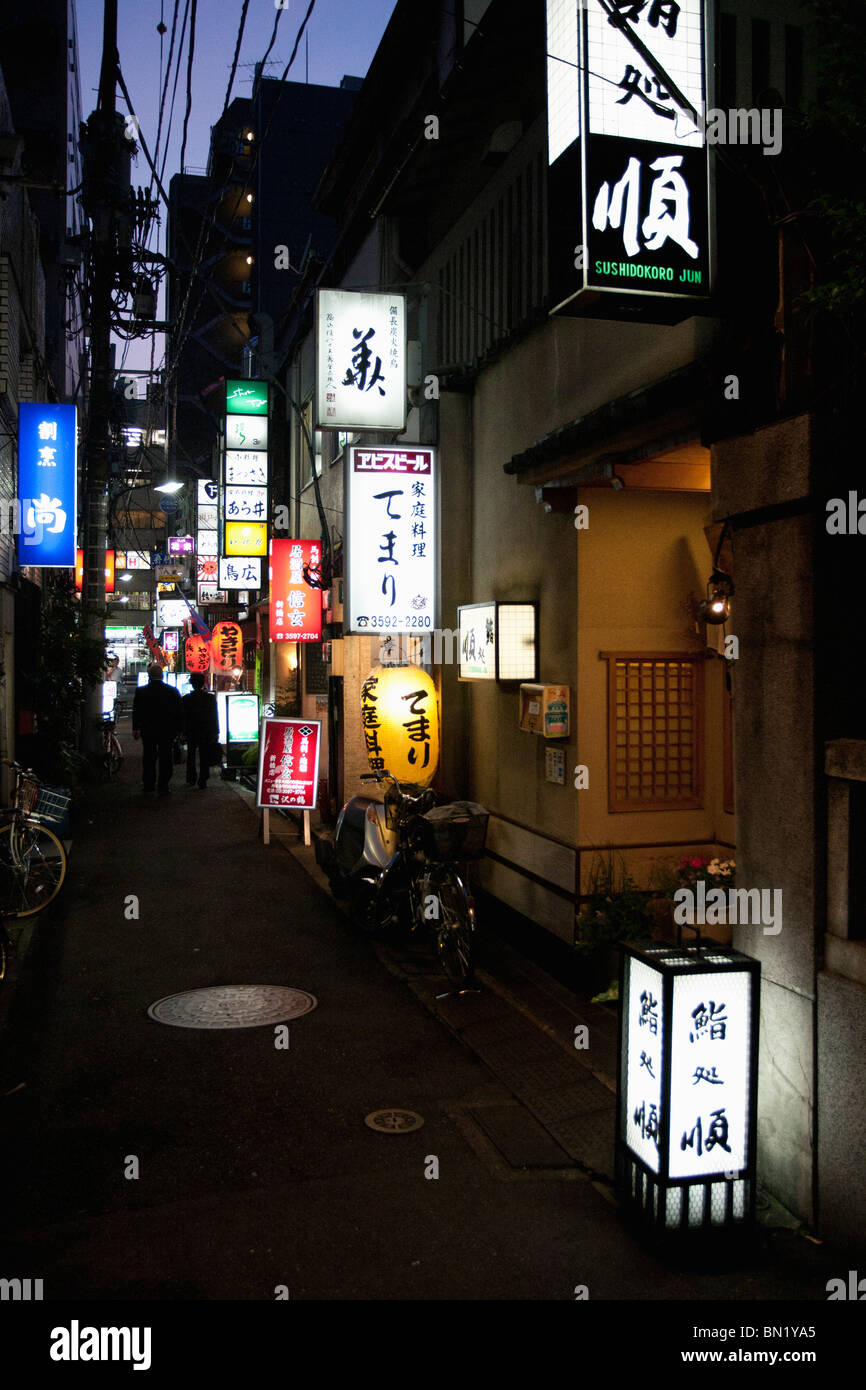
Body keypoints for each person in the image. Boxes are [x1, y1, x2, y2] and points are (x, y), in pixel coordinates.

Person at [132, 662, 184, 796]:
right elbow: (179, 712)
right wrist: (180, 729)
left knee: (149, 756)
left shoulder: (141, 691)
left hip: (148, 729)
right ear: (162, 676)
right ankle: (163, 785)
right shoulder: (172, 691)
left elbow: (136, 711)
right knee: (166, 757)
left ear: (149, 676)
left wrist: (136, 728)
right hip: (167, 730)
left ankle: (149, 784)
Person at [182, 672, 219, 789]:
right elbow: (214, 715)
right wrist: (216, 731)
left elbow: (183, 717)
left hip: (191, 730)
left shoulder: (186, 699)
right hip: (206, 730)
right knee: (204, 755)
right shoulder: (210, 698)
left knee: (191, 755)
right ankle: (203, 779)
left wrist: (182, 731)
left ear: (192, 683)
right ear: (203, 683)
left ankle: (191, 778)